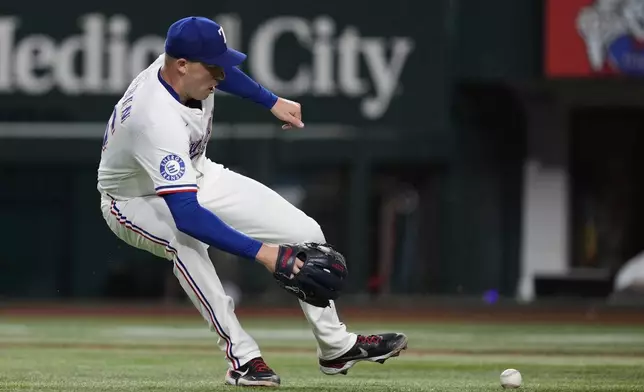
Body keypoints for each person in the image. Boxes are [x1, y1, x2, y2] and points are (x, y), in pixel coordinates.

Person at [97, 16, 407, 387]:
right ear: (181, 65)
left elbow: (227, 76)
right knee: (187, 246)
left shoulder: (180, 69)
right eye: (213, 67)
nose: (220, 76)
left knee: (304, 231)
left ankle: (336, 347)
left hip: (195, 171)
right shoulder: (154, 118)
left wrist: (270, 100)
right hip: (131, 200)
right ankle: (244, 358)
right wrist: (267, 254)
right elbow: (187, 217)